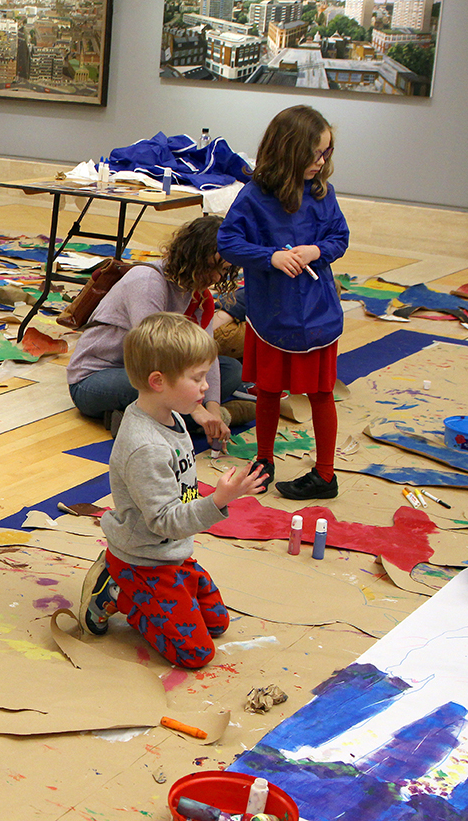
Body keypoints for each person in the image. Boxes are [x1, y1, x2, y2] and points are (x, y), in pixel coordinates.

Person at [80, 313, 267, 669]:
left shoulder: (173, 415)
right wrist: (220, 500)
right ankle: (119, 589)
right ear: (158, 381)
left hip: (173, 552)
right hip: (144, 559)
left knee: (217, 624)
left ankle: (147, 588)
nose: (206, 387)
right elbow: (164, 521)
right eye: (196, 378)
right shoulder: (145, 447)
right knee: (196, 655)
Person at [218, 105, 349, 501]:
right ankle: (264, 461)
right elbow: (228, 241)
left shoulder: (323, 193)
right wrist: (270, 257)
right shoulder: (255, 196)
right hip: (270, 314)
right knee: (268, 389)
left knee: (321, 393)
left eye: (326, 152)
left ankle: (325, 475)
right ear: (290, 150)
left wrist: (315, 250)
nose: (321, 161)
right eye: (315, 153)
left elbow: (340, 238)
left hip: (315, 315)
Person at [66, 215, 244, 442]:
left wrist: (214, 411)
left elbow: (208, 357)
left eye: (223, 270)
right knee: (167, 389)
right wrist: (199, 411)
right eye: (211, 267)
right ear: (192, 256)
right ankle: (209, 417)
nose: (216, 277)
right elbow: (153, 355)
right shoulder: (148, 280)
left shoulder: (198, 294)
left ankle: (141, 415)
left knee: (232, 371)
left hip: (155, 373)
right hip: (95, 378)